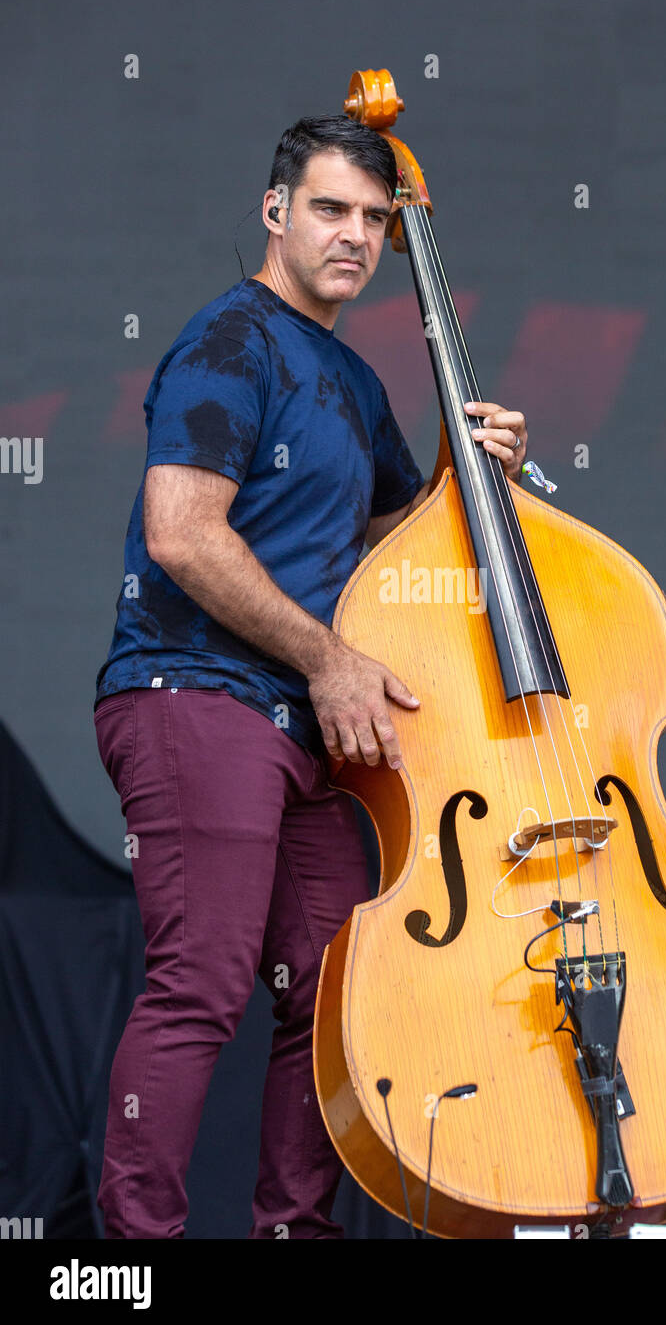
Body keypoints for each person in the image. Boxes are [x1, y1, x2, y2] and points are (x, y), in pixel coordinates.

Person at [93, 113, 527, 1239]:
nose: (354, 235)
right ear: (277, 211)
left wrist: (475, 474)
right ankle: (131, 1254)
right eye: (330, 208)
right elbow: (182, 534)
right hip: (193, 690)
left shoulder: (347, 377)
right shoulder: (228, 341)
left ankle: (298, 1234)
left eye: (375, 218)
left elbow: (401, 549)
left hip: (308, 726)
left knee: (328, 997)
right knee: (202, 980)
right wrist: (331, 656)